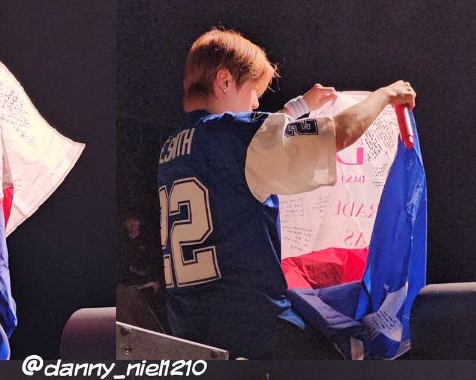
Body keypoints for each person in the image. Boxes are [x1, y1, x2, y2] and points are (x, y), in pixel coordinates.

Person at [158, 28, 417, 359]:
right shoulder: (237, 138)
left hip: (189, 328)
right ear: (224, 81)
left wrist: (299, 106)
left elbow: (249, 147)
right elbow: (339, 133)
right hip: (251, 327)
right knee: (351, 350)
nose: (255, 103)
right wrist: (386, 94)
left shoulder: (172, 149)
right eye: (253, 91)